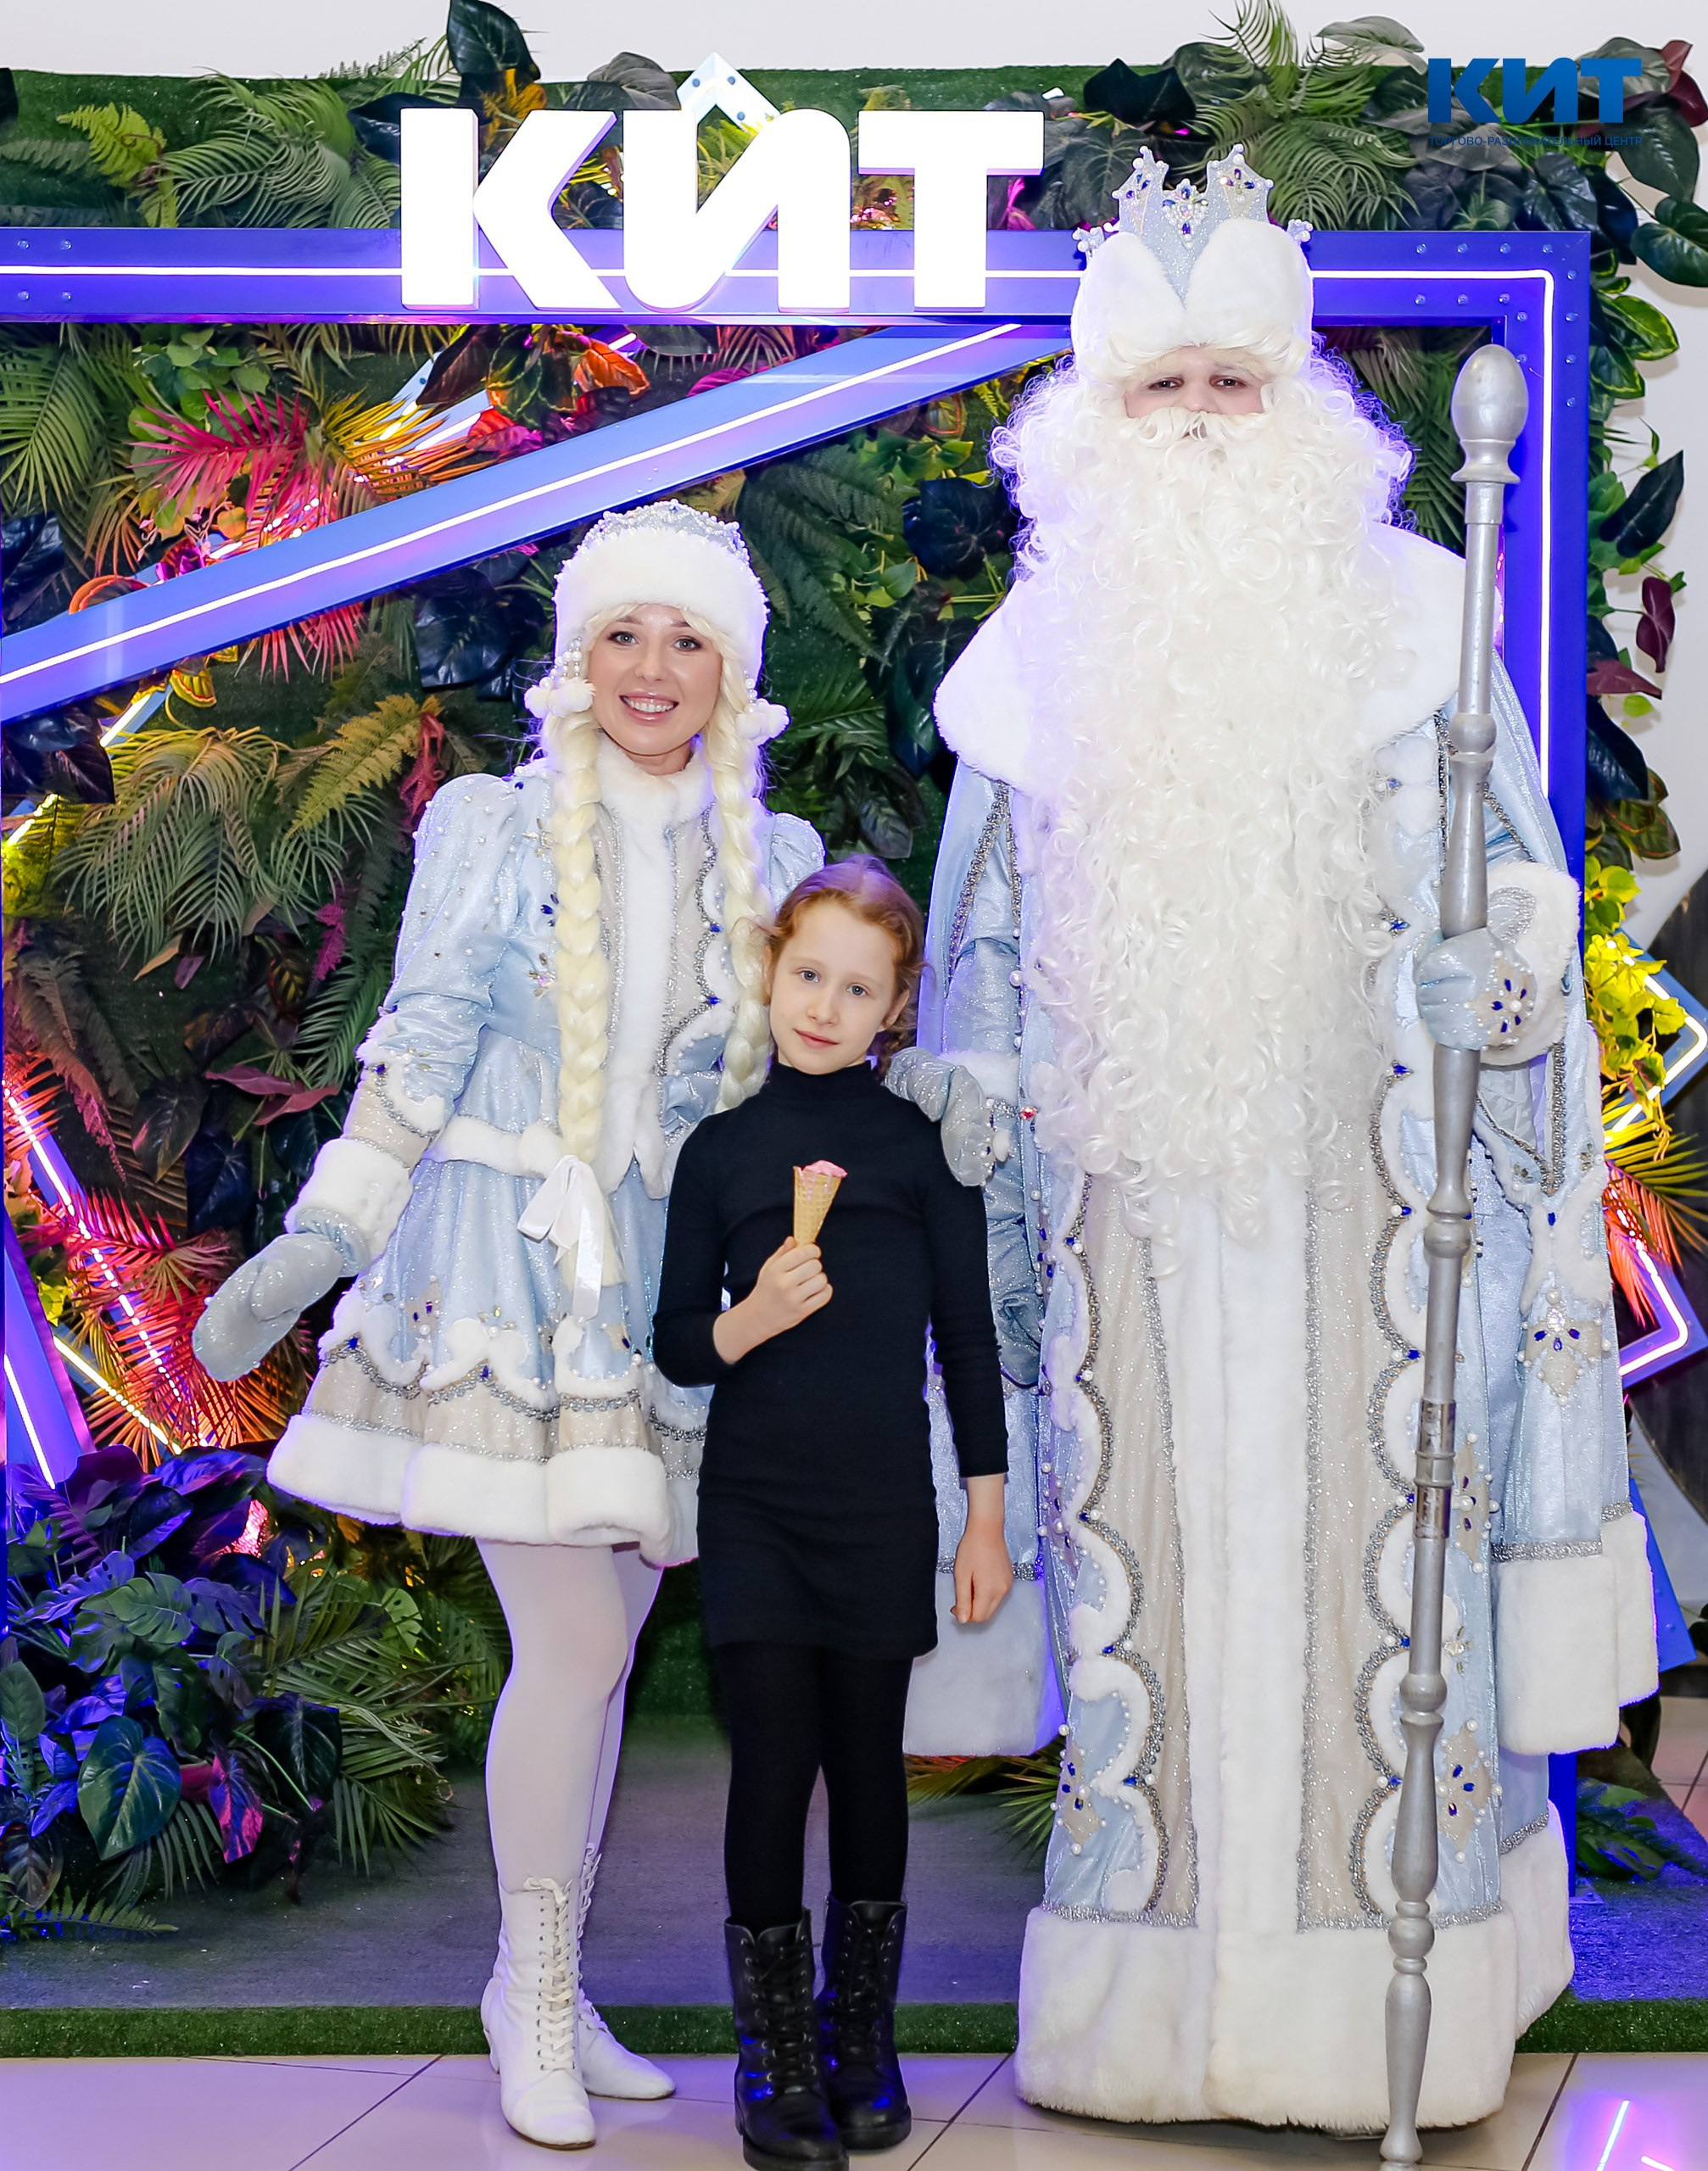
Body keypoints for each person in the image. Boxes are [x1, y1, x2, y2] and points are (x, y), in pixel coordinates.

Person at [919, 146, 1658, 2131]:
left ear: (1298, 401)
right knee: (1144, 1604)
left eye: (1227, 386)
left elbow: (1510, 908)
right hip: (1124, 1217)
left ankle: (1379, 2019)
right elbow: (974, 942)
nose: (1193, 426)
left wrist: (1483, 995)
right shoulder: (1021, 678)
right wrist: (972, 1076)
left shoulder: (1422, 621)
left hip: (1371, 1202)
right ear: (1087, 419)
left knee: (1372, 1610)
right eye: (1154, 392)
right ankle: (1144, 2014)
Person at [194, 502, 825, 2149]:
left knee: (602, 1653)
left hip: (667, 1298)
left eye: (687, 637)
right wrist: (326, 1229)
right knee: (575, 1646)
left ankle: (532, 1979)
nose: (651, 667)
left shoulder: (777, 858)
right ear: (577, 650)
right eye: (624, 630)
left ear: (731, 668)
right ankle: (532, 1993)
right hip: (501, 1265)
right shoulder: (488, 823)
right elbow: (420, 1038)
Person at [653, 859, 1012, 2170]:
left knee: (866, 1768)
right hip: (754, 1504)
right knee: (771, 1767)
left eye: (858, 987)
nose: (824, 1004)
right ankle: (774, 2056)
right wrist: (753, 1317)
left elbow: (966, 1345)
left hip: (877, 1507)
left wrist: (983, 1518)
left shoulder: (921, 1154)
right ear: (770, 969)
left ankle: (860, 2037)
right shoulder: (721, 1150)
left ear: (894, 1007)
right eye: (807, 973)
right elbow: (679, 1342)